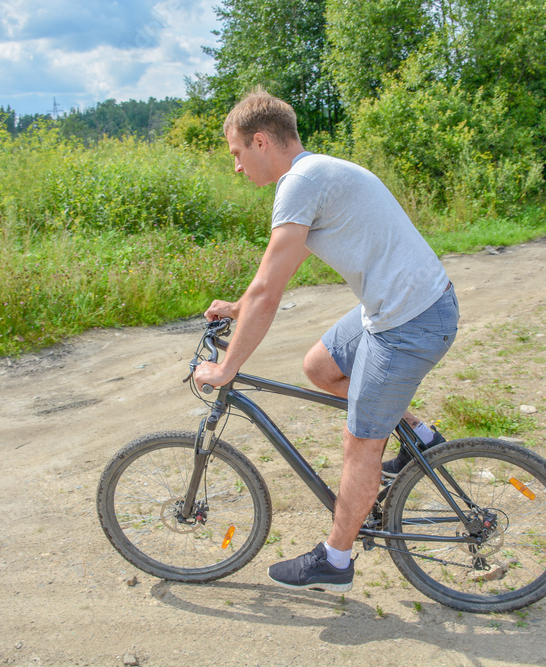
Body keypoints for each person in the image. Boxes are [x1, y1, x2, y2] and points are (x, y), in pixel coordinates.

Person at [193, 88, 459, 592]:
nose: (236, 167)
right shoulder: (316, 173)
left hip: (410, 320)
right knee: (321, 366)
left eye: (236, 153)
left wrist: (227, 368)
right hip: (401, 308)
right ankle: (421, 437)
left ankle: (336, 561)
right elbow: (268, 279)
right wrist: (238, 307)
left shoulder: (301, 182)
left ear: (262, 141)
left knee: (361, 443)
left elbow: (271, 292)